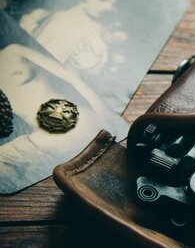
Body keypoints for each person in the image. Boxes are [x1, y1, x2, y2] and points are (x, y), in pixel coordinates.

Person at [0, 43, 126, 193]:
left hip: (72, 125)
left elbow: (71, 77)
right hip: (47, 141)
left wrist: (105, 117)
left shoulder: (12, 52)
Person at [19, 0, 127, 77]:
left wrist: (89, 66)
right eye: (102, 0)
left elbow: (95, 73)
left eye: (113, 4)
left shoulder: (99, 34)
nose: (108, 7)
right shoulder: (45, 16)